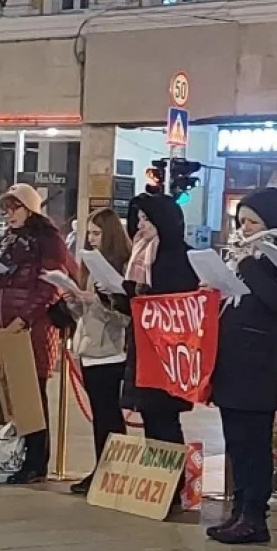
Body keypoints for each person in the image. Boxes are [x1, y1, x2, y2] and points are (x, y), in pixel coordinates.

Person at [207, 187, 277, 545]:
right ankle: (239, 509)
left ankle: (254, 515)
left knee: (253, 441)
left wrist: (248, 265)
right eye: (242, 221)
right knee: (236, 438)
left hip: (259, 359)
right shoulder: (241, 252)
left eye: (253, 221)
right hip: (233, 355)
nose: (245, 228)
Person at [0, 184, 74, 484]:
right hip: (5, 326)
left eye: (16, 208)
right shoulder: (10, 242)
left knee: (31, 397)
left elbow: (51, 286)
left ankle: (36, 460)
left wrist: (24, 319)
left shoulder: (47, 242)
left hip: (31, 329)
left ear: (30, 208)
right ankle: (13, 454)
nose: (10, 215)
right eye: (7, 209)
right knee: (10, 395)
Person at [116, 194, 199, 463]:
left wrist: (146, 299)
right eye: (138, 219)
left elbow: (181, 304)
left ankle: (172, 485)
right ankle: (158, 480)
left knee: (165, 419)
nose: (140, 226)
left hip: (169, 352)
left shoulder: (180, 256)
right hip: (143, 347)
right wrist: (118, 296)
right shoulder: (139, 255)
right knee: (150, 417)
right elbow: (134, 305)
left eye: (146, 220)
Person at [65, 207, 133, 496]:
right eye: (89, 233)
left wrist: (100, 299)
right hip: (89, 347)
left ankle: (113, 471)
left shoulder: (119, 267)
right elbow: (86, 312)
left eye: (96, 233)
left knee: (108, 415)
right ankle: (101, 467)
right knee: (100, 415)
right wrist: (74, 299)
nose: (91, 239)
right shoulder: (91, 266)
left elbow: (124, 316)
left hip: (111, 351)